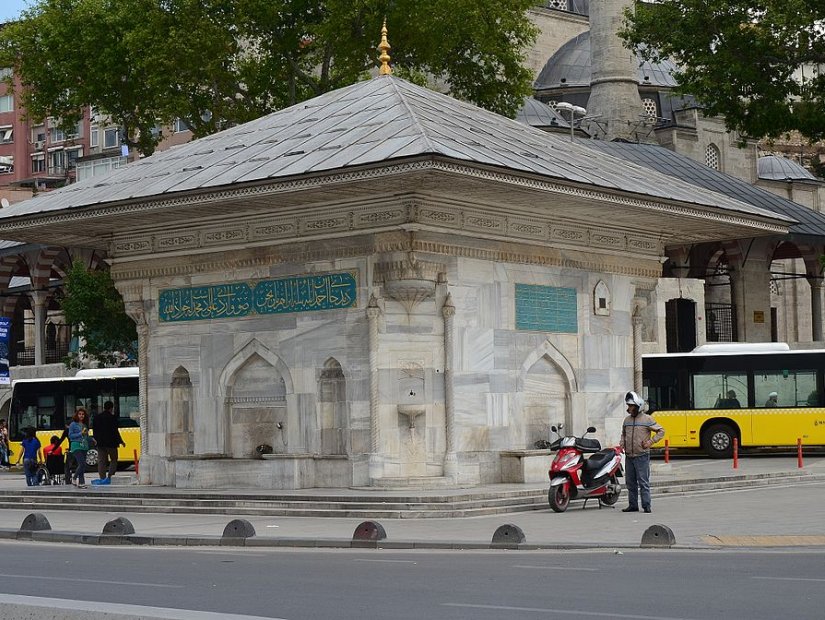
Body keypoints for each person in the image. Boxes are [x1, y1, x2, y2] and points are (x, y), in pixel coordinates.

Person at [619, 391, 665, 514]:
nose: (629, 408)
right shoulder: (626, 420)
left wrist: (651, 442)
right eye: (628, 405)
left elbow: (661, 431)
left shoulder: (647, 419)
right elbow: (623, 434)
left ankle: (646, 505)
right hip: (629, 456)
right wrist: (622, 443)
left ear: (638, 406)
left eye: (631, 405)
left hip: (642, 456)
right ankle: (633, 505)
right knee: (630, 483)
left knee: (643, 482)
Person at [92, 401, 125, 486]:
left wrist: (96, 440)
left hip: (100, 443)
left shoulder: (97, 417)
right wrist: (121, 441)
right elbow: (115, 431)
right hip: (111, 443)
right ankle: (110, 476)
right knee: (114, 459)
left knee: (101, 461)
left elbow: (94, 431)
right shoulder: (113, 418)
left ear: (104, 407)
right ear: (111, 408)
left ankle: (102, 478)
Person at [68, 408, 93, 488]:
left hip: (84, 446)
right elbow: (70, 435)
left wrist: (92, 439)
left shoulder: (85, 425)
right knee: (82, 463)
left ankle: (82, 483)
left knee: (81, 465)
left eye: (83, 414)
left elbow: (86, 436)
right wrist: (80, 433)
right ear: (77, 415)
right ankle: (74, 478)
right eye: (80, 414)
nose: (81, 416)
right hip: (76, 445)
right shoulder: (73, 424)